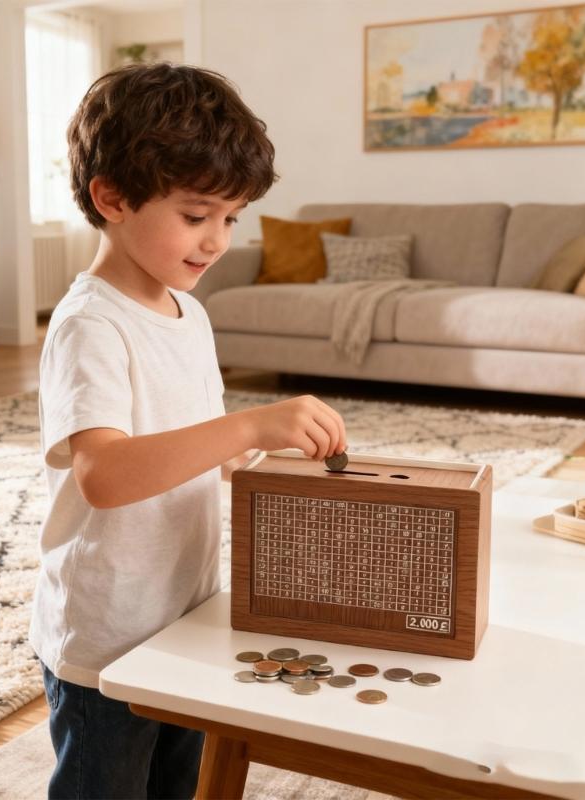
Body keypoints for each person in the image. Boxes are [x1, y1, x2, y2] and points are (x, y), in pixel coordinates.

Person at [30, 62, 347, 800]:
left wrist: (257, 453)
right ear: (112, 198)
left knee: (181, 783)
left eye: (232, 218)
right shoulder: (91, 324)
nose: (218, 241)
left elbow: (198, 442)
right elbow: (105, 475)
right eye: (197, 215)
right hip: (107, 634)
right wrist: (248, 423)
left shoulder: (190, 311)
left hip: (184, 612)